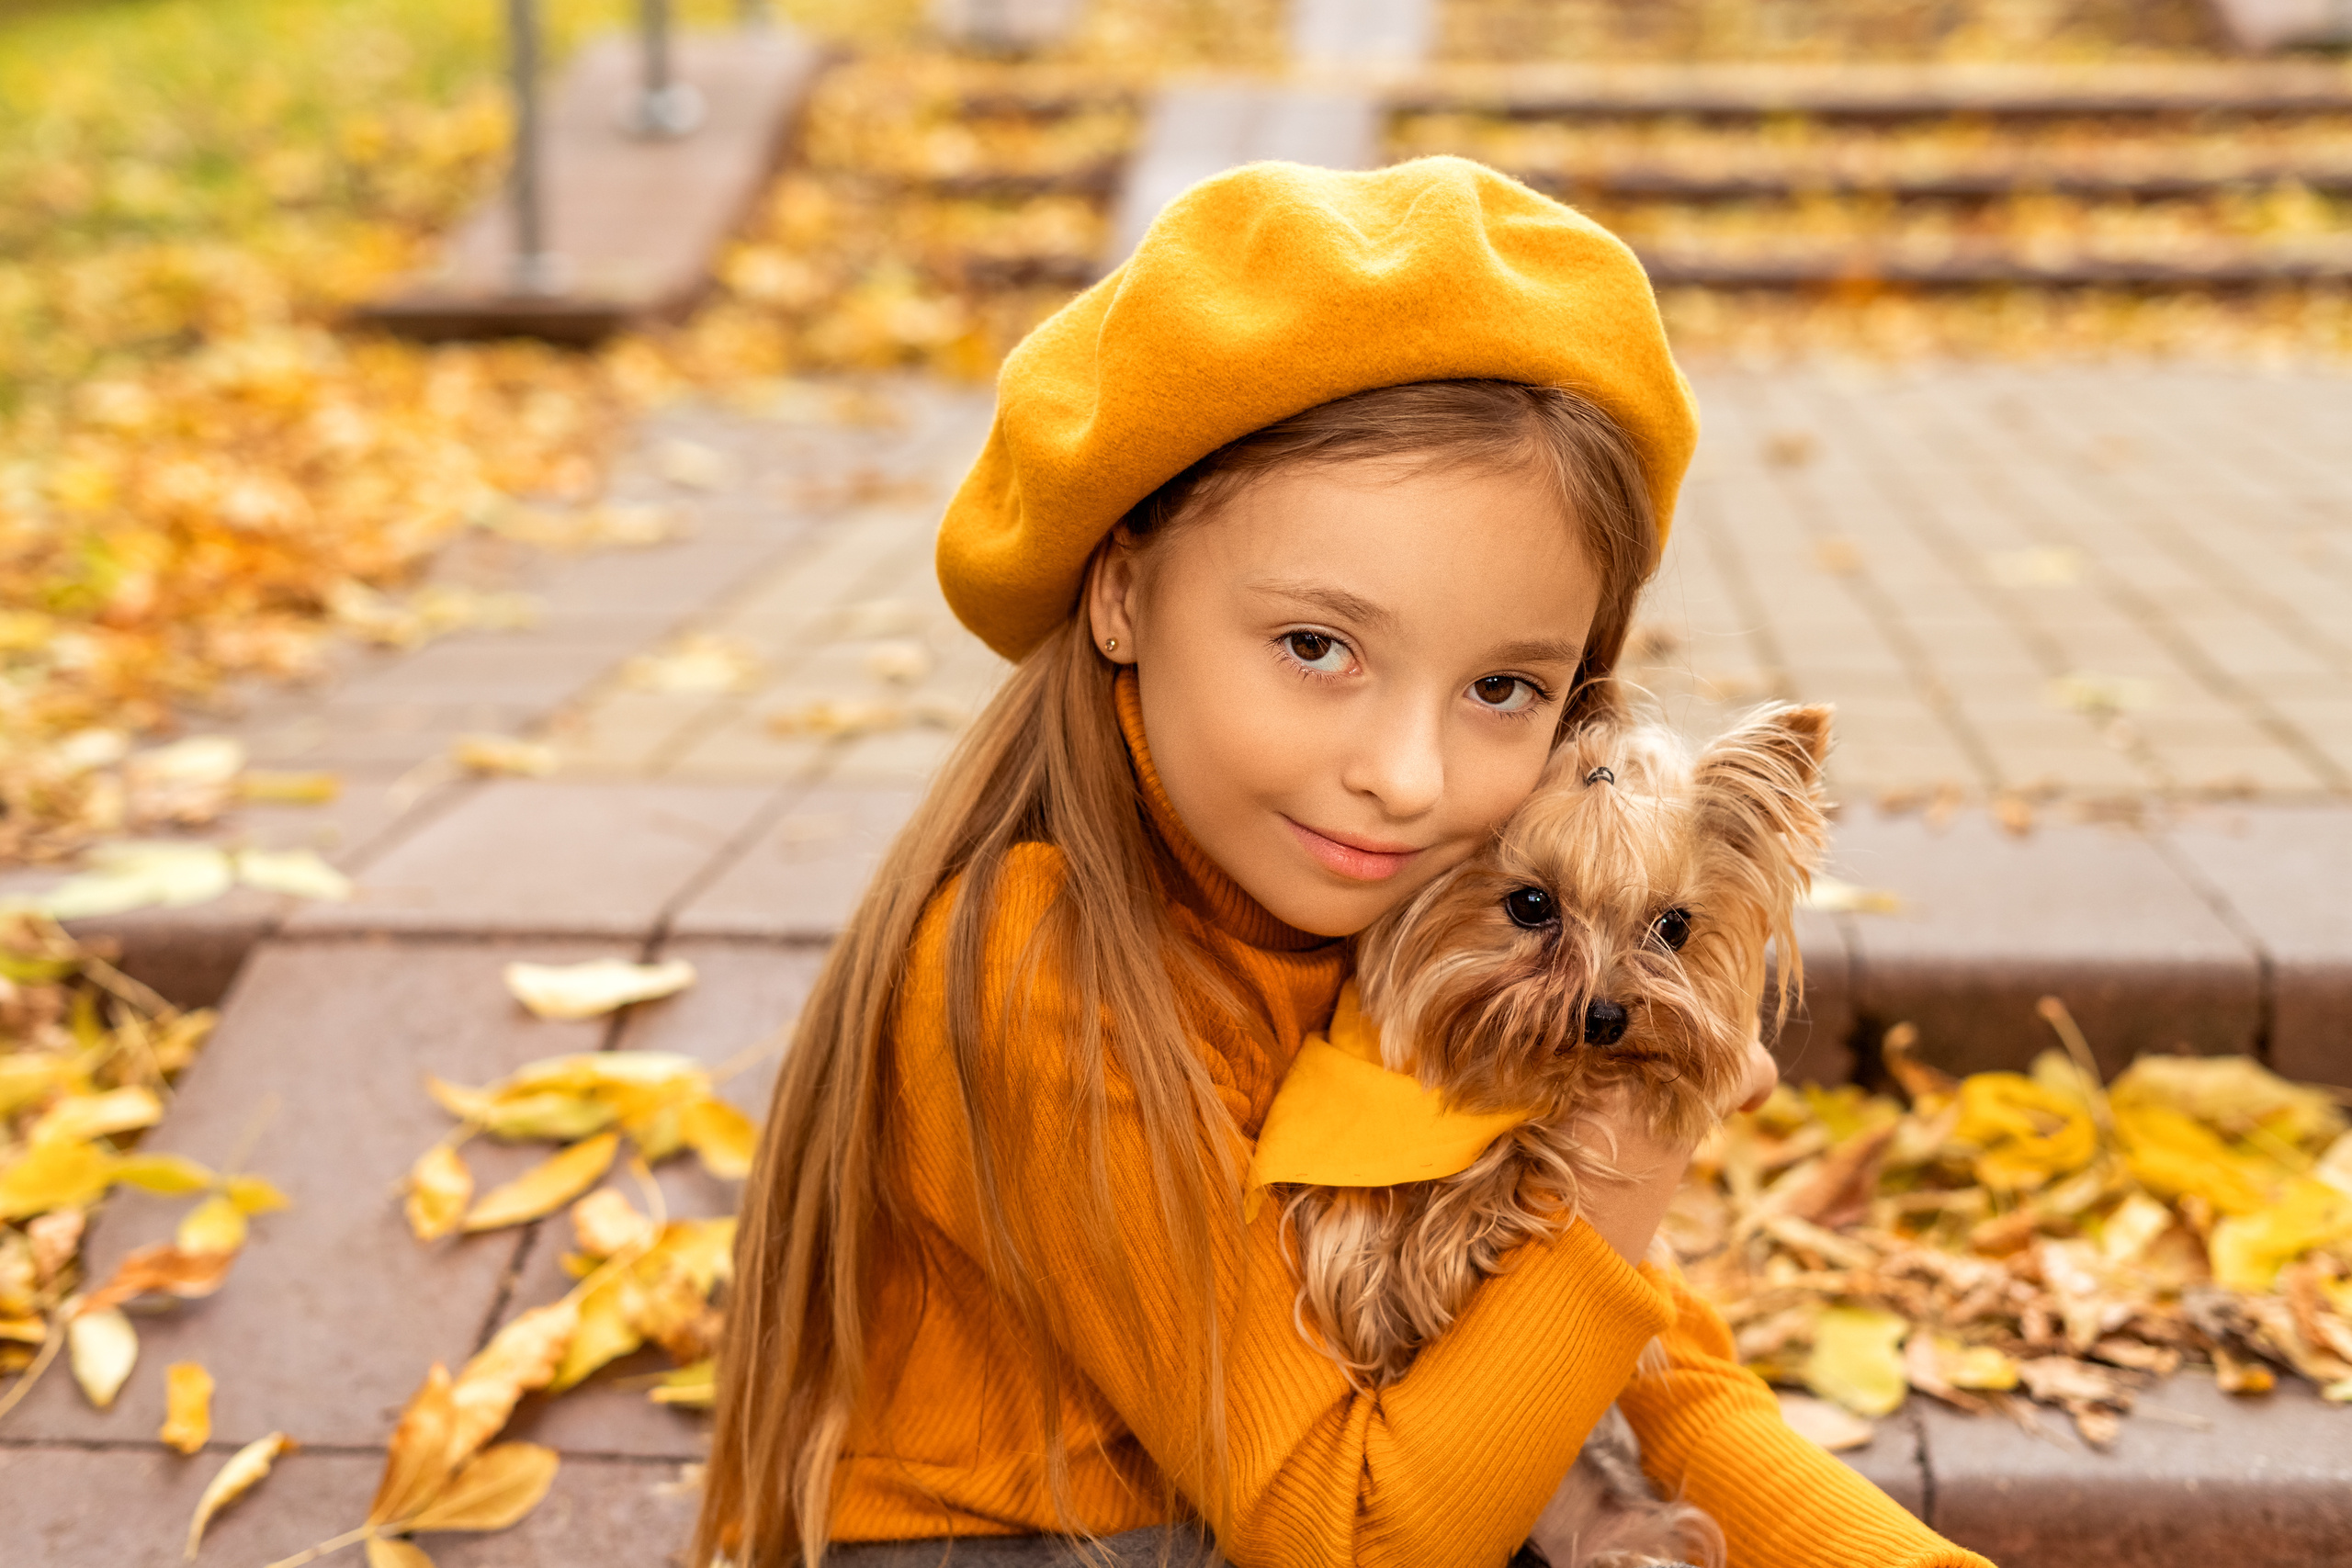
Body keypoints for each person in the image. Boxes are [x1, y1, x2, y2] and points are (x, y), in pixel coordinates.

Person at [696, 157, 1993, 1568]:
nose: (1410, 776)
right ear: (1122, 592)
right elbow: (1359, 1539)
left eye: (1503, 689)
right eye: (1318, 647)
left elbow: (1632, 1369)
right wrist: (1638, 1133)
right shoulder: (1043, 965)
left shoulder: (1434, 921)